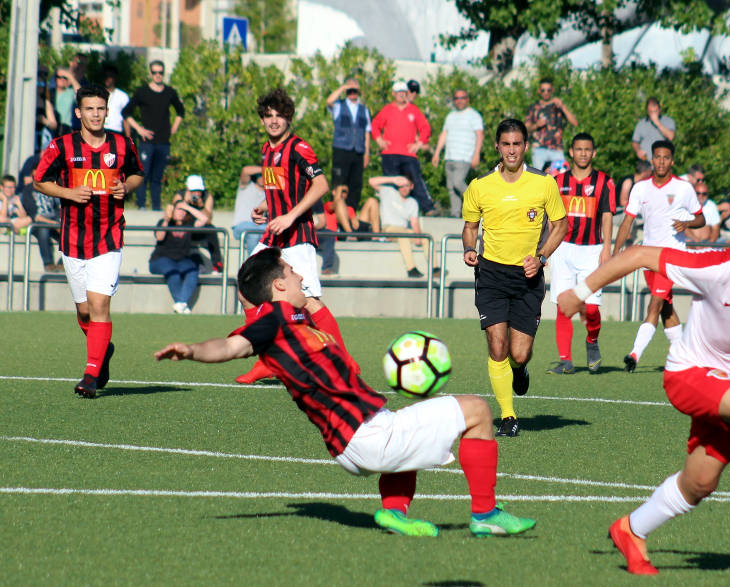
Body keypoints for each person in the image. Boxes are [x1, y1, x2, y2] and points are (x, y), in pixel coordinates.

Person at [155, 247, 536, 538]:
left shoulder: (297, 317)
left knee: (409, 440)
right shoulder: (274, 319)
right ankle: (486, 514)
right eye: (291, 271)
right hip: (365, 433)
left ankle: (395, 513)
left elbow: (300, 316)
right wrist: (192, 350)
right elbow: (231, 346)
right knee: (478, 411)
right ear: (279, 286)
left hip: (352, 440)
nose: (300, 275)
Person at [558, 187, 730, 575]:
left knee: (699, 484)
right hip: (690, 374)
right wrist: (580, 292)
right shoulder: (718, 265)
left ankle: (631, 529)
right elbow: (637, 254)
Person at [33, 84, 145, 398]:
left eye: (100, 108)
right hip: (72, 239)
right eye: (89, 109)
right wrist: (68, 193)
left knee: (99, 304)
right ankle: (102, 350)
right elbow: (39, 181)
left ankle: (90, 375)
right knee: (84, 312)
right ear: (78, 112)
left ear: (107, 111)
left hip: (109, 236)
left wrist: (126, 186)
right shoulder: (62, 146)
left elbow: (137, 174)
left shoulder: (122, 144)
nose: (95, 114)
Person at [462, 118, 568, 437]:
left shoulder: (544, 183)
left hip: (527, 277)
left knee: (518, 353)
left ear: (526, 146)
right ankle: (508, 416)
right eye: (506, 144)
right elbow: (470, 227)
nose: (511, 150)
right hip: (491, 274)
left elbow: (560, 225)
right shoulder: (480, 185)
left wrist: (541, 257)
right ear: (497, 146)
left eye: (517, 144)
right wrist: (469, 249)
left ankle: (519, 368)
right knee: (497, 346)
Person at [234, 89, 344, 385]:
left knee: (307, 301)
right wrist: (264, 206)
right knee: (246, 289)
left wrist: (291, 216)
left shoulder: (299, 147)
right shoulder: (267, 150)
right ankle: (268, 361)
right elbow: (280, 190)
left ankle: (342, 363)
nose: (274, 120)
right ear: (262, 119)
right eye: (268, 115)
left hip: (297, 235)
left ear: (289, 119)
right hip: (275, 234)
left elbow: (321, 185)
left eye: (280, 115)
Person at [612, 140, 705, 373]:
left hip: (672, 257)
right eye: (657, 157)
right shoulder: (640, 188)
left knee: (654, 304)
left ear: (672, 161)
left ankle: (634, 354)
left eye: (666, 157)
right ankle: (684, 356)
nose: (661, 161)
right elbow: (627, 221)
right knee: (665, 308)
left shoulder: (684, 188)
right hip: (648, 258)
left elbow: (701, 218)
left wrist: (687, 223)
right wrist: (615, 254)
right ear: (652, 160)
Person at [545, 132, 616, 375]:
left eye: (587, 149)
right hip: (563, 248)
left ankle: (591, 341)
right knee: (563, 306)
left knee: (592, 308)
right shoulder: (557, 181)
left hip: (592, 251)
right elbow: (551, 217)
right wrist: (546, 249)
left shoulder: (604, 182)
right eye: (579, 149)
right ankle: (565, 361)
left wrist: (607, 248)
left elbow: (607, 215)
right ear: (571, 152)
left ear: (593, 153)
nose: (583, 153)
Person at [123, 60, 185, 210]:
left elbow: (180, 111)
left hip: (163, 141)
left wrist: (174, 128)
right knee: (142, 175)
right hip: (147, 142)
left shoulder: (170, 92)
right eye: (155, 72)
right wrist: (139, 129)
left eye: (160, 72)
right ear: (150, 74)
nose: (158, 75)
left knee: (157, 177)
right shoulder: (142, 92)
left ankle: (156, 207)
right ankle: (141, 205)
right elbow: (126, 112)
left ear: (163, 73)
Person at [371, 81, 435, 214]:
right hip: (390, 153)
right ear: (393, 94)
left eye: (404, 92)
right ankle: (392, 211)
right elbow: (375, 125)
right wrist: (379, 140)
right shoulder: (387, 109)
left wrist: (419, 144)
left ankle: (427, 208)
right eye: (399, 92)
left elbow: (425, 128)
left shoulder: (414, 110)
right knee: (391, 183)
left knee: (415, 180)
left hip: (408, 154)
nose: (401, 95)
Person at [431, 88, 484, 215]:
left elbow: (480, 135)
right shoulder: (450, 116)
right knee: (451, 188)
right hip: (449, 156)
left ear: (467, 99)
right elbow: (444, 134)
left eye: (462, 98)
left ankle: (477, 203)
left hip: (464, 157)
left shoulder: (474, 115)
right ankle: (455, 214)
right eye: (456, 98)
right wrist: (437, 153)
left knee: (457, 182)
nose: (459, 101)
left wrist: (476, 154)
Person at [150, 200, 208, 313]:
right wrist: (166, 219)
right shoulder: (164, 222)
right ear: (172, 210)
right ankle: (182, 304)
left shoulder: (189, 223)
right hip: (161, 259)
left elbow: (204, 219)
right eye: (179, 209)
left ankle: (181, 304)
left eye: (184, 210)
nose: (182, 212)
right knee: (173, 272)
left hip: (181, 260)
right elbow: (159, 237)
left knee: (192, 270)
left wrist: (188, 207)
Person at [325, 77, 372, 213]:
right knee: (339, 182)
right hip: (342, 149)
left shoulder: (364, 109)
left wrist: (367, 153)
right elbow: (329, 101)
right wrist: (343, 87)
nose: (352, 93)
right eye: (350, 90)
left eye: (355, 90)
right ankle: (335, 212)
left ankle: (351, 212)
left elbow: (367, 132)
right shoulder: (339, 105)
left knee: (355, 184)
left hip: (358, 151)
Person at [369, 173, 426, 278]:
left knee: (426, 237)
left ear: (411, 186)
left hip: (403, 229)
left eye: (407, 185)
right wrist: (393, 179)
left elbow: (414, 223)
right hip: (389, 229)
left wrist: (418, 237)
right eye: (401, 186)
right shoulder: (388, 192)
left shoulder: (413, 202)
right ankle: (411, 269)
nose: (404, 188)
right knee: (403, 235)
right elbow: (371, 181)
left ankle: (435, 268)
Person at [169, 175, 223, 274]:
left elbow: (208, 220)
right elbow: (176, 217)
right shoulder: (179, 196)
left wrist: (201, 206)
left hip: (198, 226)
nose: (197, 194)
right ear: (188, 189)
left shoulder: (207, 197)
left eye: (199, 191)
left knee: (211, 229)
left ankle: (217, 263)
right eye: (194, 191)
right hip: (185, 226)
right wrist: (185, 203)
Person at [524, 78, 578, 172]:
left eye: (548, 90)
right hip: (539, 150)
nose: (546, 93)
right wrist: (536, 125)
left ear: (552, 90)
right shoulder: (533, 107)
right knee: (540, 178)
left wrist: (563, 106)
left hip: (557, 149)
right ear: (539, 91)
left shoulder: (558, 106)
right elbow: (525, 129)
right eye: (543, 90)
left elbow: (575, 123)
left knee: (561, 177)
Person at [233, 165, 267, 258]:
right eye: (260, 175)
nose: (263, 178)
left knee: (273, 231)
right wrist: (268, 169)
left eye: (266, 175)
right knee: (253, 233)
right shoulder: (246, 186)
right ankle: (253, 263)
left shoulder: (270, 192)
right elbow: (245, 170)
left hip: (261, 227)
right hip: (241, 226)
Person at [102, 65, 130, 134]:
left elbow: (126, 118)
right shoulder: (97, 94)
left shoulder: (123, 96)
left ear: (115, 78)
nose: (107, 79)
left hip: (116, 130)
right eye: (105, 76)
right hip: (100, 130)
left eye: (109, 76)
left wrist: (128, 138)